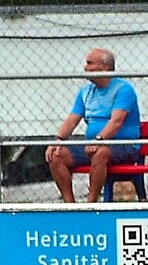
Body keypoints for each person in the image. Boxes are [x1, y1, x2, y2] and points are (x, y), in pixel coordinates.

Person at [45, 47, 141, 203]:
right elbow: (71, 121)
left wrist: (99, 140)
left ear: (104, 68)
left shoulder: (124, 89)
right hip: (94, 144)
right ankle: (71, 206)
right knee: (56, 155)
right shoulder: (85, 92)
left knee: (101, 153)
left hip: (123, 146)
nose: (85, 68)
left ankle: (91, 204)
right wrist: (57, 140)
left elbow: (116, 122)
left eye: (90, 63)